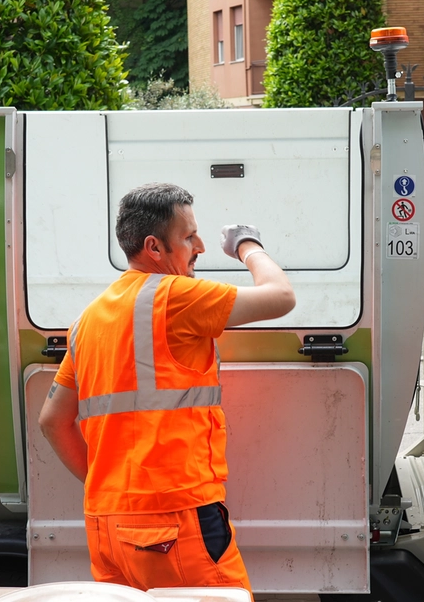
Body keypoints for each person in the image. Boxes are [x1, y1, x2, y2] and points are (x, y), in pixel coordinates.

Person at [38, 182, 296, 591]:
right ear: (155, 248)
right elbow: (281, 296)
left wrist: (109, 487)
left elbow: (52, 421)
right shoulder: (175, 296)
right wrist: (248, 245)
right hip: (173, 523)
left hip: (106, 525)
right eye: (189, 236)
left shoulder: (87, 320)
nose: (201, 247)